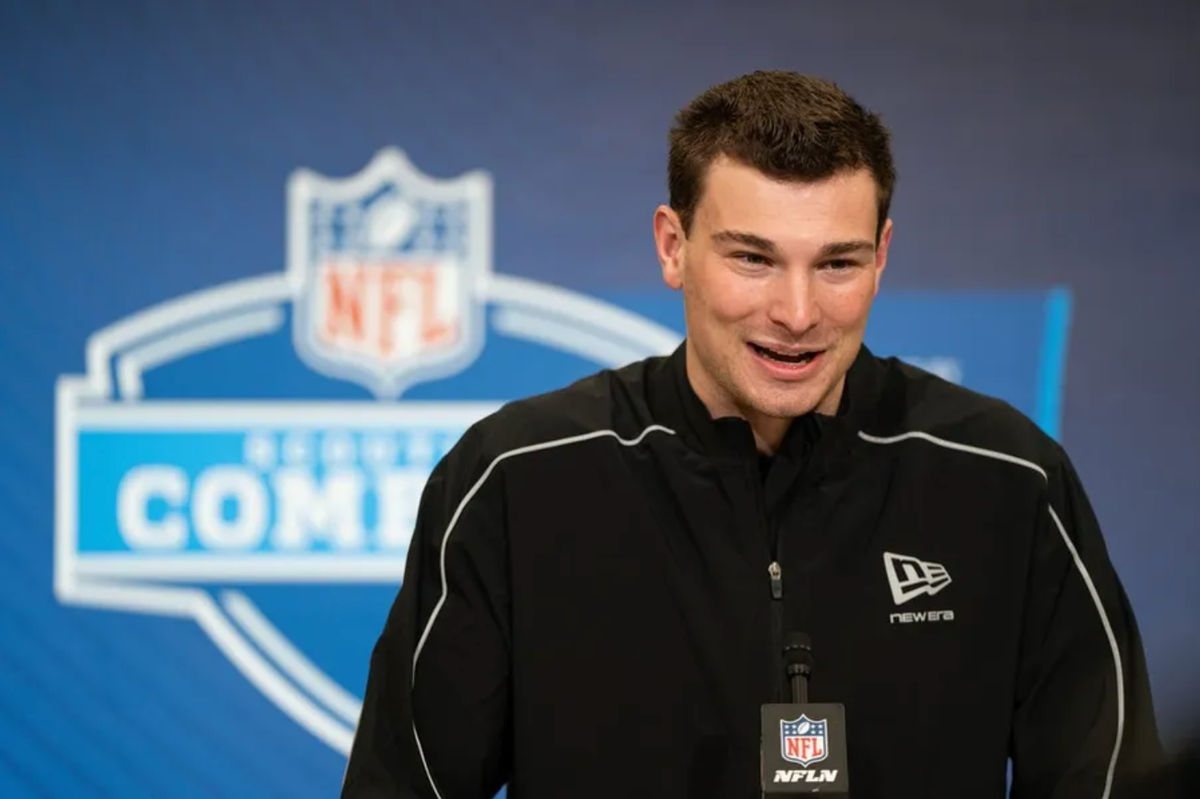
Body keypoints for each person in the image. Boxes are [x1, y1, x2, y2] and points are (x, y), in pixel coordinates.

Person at [342, 71, 1162, 798]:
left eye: (836, 264)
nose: (797, 313)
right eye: (753, 259)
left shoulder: (1007, 479)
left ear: (882, 256)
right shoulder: (518, 479)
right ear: (674, 246)